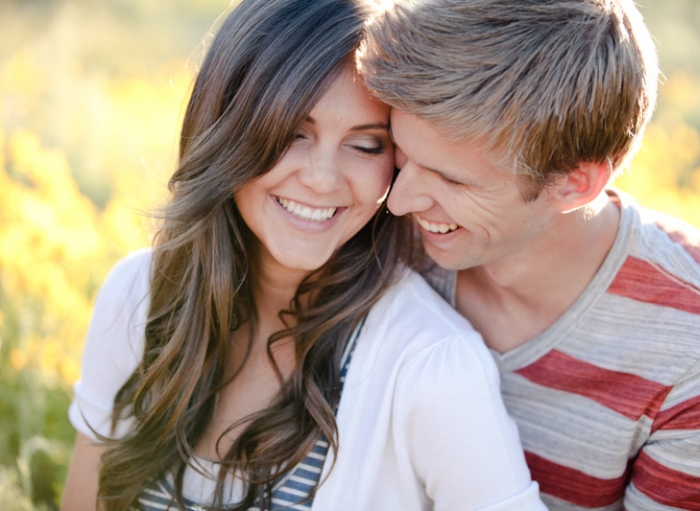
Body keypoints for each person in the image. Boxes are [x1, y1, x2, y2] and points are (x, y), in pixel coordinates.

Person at [59, 0, 547, 510]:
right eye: (294, 133)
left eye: (366, 146)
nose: (321, 178)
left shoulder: (431, 365)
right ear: (228, 126)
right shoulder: (137, 295)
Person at [358, 0, 700, 509]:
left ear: (576, 184)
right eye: (401, 151)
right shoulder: (377, 235)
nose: (397, 201)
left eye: (452, 179)